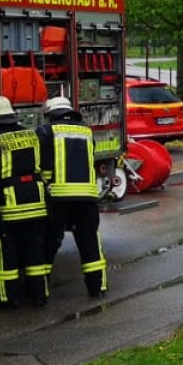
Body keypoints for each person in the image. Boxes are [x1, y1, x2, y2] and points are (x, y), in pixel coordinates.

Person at [0, 94, 51, 307]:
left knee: (6, 254)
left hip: (8, 207)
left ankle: (8, 298)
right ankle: (39, 295)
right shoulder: (32, 135)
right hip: (36, 202)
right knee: (35, 252)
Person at [38, 96, 107, 299]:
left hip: (58, 198)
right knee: (89, 243)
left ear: (50, 114)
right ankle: (97, 287)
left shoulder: (45, 131)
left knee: (48, 243)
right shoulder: (86, 132)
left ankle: (40, 290)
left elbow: (43, 165)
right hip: (87, 197)